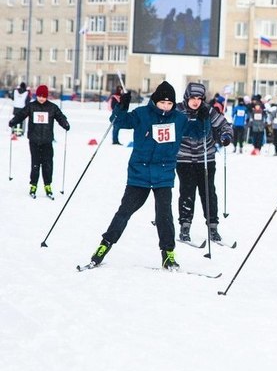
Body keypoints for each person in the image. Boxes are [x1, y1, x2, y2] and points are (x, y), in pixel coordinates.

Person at [83, 81, 209, 270]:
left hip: (164, 175)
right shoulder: (142, 114)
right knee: (124, 212)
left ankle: (168, 255)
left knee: (164, 216)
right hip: (139, 174)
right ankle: (104, 246)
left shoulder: (179, 119)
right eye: (162, 103)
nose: (166, 107)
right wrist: (121, 106)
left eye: (169, 104)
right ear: (155, 101)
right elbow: (118, 121)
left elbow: (200, 133)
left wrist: (203, 118)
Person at [175, 82, 233, 243]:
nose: (196, 101)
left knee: (208, 193)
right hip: (184, 159)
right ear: (187, 97)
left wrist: (226, 136)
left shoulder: (207, 111)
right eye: (193, 98)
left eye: (199, 98)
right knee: (187, 193)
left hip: (206, 159)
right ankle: (185, 227)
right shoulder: (178, 111)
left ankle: (213, 227)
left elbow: (224, 125)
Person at [8, 85, 69, 199]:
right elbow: (21, 114)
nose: (41, 98)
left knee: (47, 164)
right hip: (34, 140)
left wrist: (65, 123)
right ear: (37, 96)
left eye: (44, 96)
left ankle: (47, 185)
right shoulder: (31, 106)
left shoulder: (52, 107)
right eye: (39, 96)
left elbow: (60, 117)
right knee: (35, 164)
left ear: (47, 96)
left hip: (47, 141)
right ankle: (33, 185)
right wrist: (13, 121)